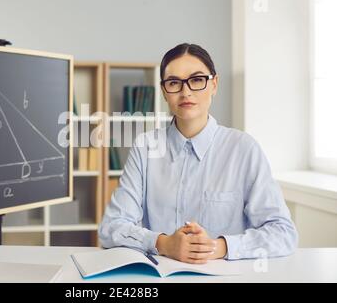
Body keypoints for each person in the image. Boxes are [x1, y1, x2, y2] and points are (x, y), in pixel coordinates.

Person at [98, 43, 298, 264]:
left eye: (196, 80)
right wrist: (164, 244)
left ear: (214, 84)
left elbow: (283, 233)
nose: (186, 92)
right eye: (174, 83)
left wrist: (218, 247)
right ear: (164, 91)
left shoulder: (243, 148)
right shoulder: (145, 147)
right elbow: (110, 228)